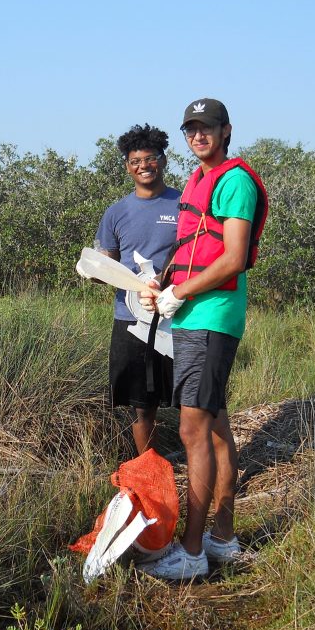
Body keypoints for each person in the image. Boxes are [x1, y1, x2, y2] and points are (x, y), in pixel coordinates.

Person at [138, 98, 267, 580]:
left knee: (192, 429)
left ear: (226, 130)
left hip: (212, 316)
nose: (198, 136)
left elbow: (233, 258)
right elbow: (194, 246)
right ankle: (222, 539)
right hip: (194, 311)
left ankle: (191, 553)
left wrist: (182, 294)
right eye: (191, 130)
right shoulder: (198, 179)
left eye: (207, 128)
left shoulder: (234, 180)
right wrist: (165, 285)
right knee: (214, 428)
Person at [88, 124, 180, 455]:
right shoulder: (116, 212)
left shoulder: (184, 206)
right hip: (130, 320)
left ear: (163, 161)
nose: (143, 165)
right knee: (141, 407)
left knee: (192, 404)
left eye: (150, 158)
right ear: (127, 166)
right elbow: (105, 263)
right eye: (135, 160)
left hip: (177, 316)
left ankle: (202, 472)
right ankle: (150, 473)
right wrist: (93, 271)